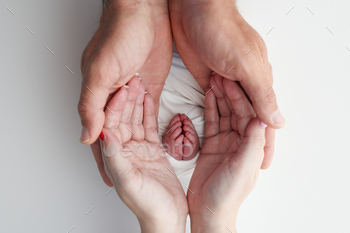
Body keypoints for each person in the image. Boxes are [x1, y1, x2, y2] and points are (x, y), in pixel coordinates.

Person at [78, 0, 284, 187]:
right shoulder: (219, 141)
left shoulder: (145, 147)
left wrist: (131, 8)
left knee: (127, 111)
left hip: (147, 75)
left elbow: (140, 152)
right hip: (204, 71)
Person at [99, 74, 267, 233]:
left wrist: (161, 223)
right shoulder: (209, 169)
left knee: (136, 108)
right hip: (207, 116)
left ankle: (177, 154)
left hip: (151, 130)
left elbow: (154, 166)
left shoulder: (162, 176)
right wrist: (215, 221)